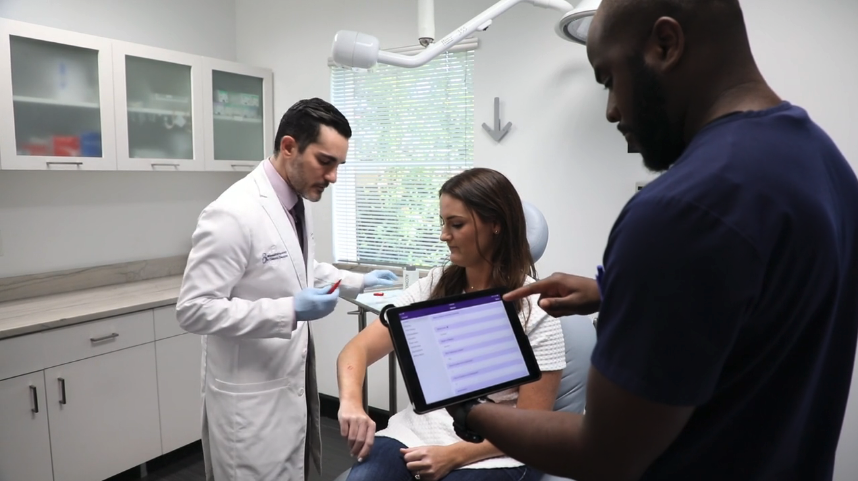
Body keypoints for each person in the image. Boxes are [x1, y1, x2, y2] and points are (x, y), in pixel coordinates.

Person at [444, 1, 858, 480]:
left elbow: (605, 454)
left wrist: (470, 408)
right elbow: (767, 303)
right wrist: (614, 292)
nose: (612, 109)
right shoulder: (826, 165)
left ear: (666, 44)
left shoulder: (679, 208)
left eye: (608, 79)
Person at [176, 98, 398, 481]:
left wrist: (358, 282)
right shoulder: (232, 213)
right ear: (289, 146)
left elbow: (301, 268)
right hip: (250, 402)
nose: (333, 177)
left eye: (338, 166)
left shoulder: (294, 201)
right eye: (325, 162)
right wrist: (289, 310)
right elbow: (194, 309)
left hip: (287, 384)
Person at [336, 168, 567, 481]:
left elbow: (531, 424)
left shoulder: (535, 309)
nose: (444, 235)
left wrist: (453, 455)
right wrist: (351, 403)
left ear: (495, 225)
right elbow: (358, 349)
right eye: (443, 223)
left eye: (456, 224)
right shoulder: (434, 285)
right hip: (421, 431)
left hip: (498, 447)